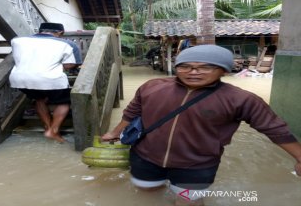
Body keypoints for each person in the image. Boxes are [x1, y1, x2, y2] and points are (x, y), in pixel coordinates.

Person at [101, 45, 301, 206]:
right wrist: (114, 132)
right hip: (145, 157)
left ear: (223, 70)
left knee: (189, 200)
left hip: (196, 165)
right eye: (185, 66)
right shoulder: (152, 87)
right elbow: (133, 112)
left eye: (205, 67)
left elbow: (275, 129)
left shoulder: (241, 99)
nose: (193, 72)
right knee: (147, 192)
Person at [9, 22, 79, 143]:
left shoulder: (17, 41)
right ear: (60, 33)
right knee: (64, 102)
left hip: (20, 78)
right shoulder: (67, 44)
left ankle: (47, 126)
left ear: (39, 31)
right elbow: (70, 64)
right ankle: (53, 130)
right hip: (49, 78)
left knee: (39, 99)